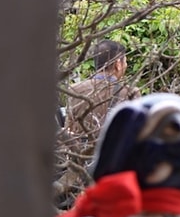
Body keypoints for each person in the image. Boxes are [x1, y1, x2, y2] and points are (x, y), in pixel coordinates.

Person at [57, 39, 140, 208]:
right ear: (118, 64)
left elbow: (69, 130)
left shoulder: (75, 90)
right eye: (125, 61)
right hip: (113, 170)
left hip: (78, 168)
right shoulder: (130, 93)